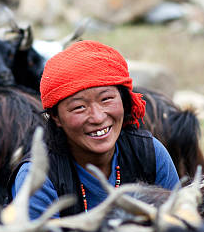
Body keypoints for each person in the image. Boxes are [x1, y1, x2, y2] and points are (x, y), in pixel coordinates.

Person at [11, 40, 179, 219]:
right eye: (79, 107)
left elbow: (179, 226)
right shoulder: (38, 176)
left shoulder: (149, 153)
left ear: (124, 100)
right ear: (56, 117)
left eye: (106, 99)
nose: (98, 117)